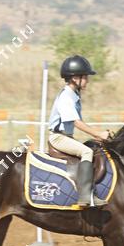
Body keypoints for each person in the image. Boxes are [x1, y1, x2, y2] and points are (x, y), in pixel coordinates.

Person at [47, 55, 113, 207]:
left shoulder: (74, 95)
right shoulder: (66, 97)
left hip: (66, 137)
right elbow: (76, 122)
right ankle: (85, 196)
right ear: (75, 78)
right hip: (58, 138)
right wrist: (98, 134)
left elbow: (79, 122)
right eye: (85, 77)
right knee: (87, 152)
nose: (87, 80)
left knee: (93, 147)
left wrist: (97, 137)